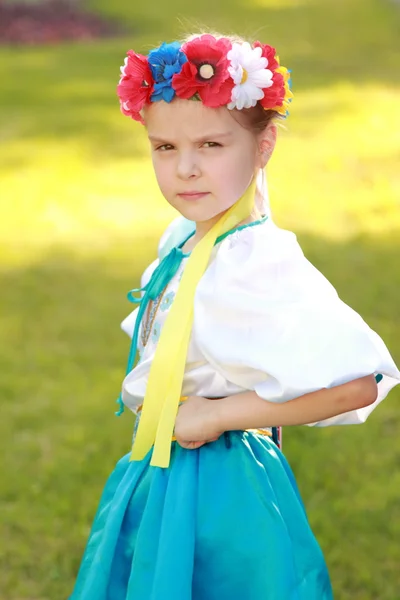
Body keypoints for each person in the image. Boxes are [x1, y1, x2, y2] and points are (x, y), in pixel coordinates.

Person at [69, 33, 400, 599]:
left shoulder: (252, 263)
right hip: (164, 472)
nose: (186, 170)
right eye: (165, 148)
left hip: (220, 485)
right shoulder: (189, 239)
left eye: (212, 145)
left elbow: (356, 384)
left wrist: (221, 415)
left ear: (263, 144)